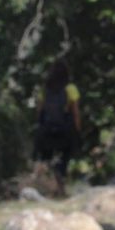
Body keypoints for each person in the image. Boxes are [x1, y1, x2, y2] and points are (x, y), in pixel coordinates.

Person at [34, 60, 81, 197]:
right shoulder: (71, 89)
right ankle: (60, 187)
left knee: (47, 160)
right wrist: (77, 131)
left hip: (47, 130)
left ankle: (50, 187)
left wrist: (40, 127)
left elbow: (39, 111)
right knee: (64, 160)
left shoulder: (45, 89)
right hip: (65, 131)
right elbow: (75, 112)